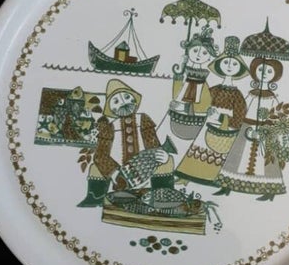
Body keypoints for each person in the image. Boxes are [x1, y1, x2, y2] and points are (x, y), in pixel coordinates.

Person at [77, 78, 167, 207]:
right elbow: (100, 155)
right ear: (111, 108)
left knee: (167, 162)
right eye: (116, 101)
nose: (124, 103)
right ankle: (95, 201)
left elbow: (153, 145)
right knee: (95, 168)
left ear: (134, 100)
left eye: (127, 97)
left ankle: (162, 200)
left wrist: (162, 155)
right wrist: (114, 172)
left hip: (145, 170)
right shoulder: (109, 128)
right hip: (119, 176)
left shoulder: (143, 120)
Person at [174, 36, 249, 186]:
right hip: (207, 127)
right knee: (197, 151)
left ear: (239, 69)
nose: (229, 66)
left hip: (224, 132)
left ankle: (212, 180)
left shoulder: (238, 96)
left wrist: (221, 118)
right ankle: (186, 177)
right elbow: (200, 103)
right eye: (226, 62)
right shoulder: (213, 89)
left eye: (234, 64)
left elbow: (239, 119)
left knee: (217, 157)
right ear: (220, 65)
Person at [217, 57, 287, 198]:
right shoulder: (250, 95)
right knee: (236, 156)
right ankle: (227, 185)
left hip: (265, 131)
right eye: (261, 70)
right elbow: (241, 110)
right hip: (246, 127)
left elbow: (278, 117)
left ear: (275, 75)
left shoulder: (273, 98)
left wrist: (265, 130)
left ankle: (270, 191)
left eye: (269, 71)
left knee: (267, 160)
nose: (264, 73)